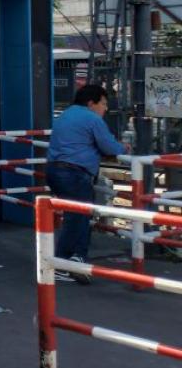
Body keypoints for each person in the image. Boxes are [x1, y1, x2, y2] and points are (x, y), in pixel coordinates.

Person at [45, 84, 130, 283]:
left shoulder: (65, 115)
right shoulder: (92, 119)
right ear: (91, 103)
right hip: (75, 173)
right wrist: (123, 148)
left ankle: (77, 260)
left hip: (54, 170)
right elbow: (109, 146)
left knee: (77, 217)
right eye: (103, 103)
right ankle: (63, 263)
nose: (105, 108)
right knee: (77, 219)